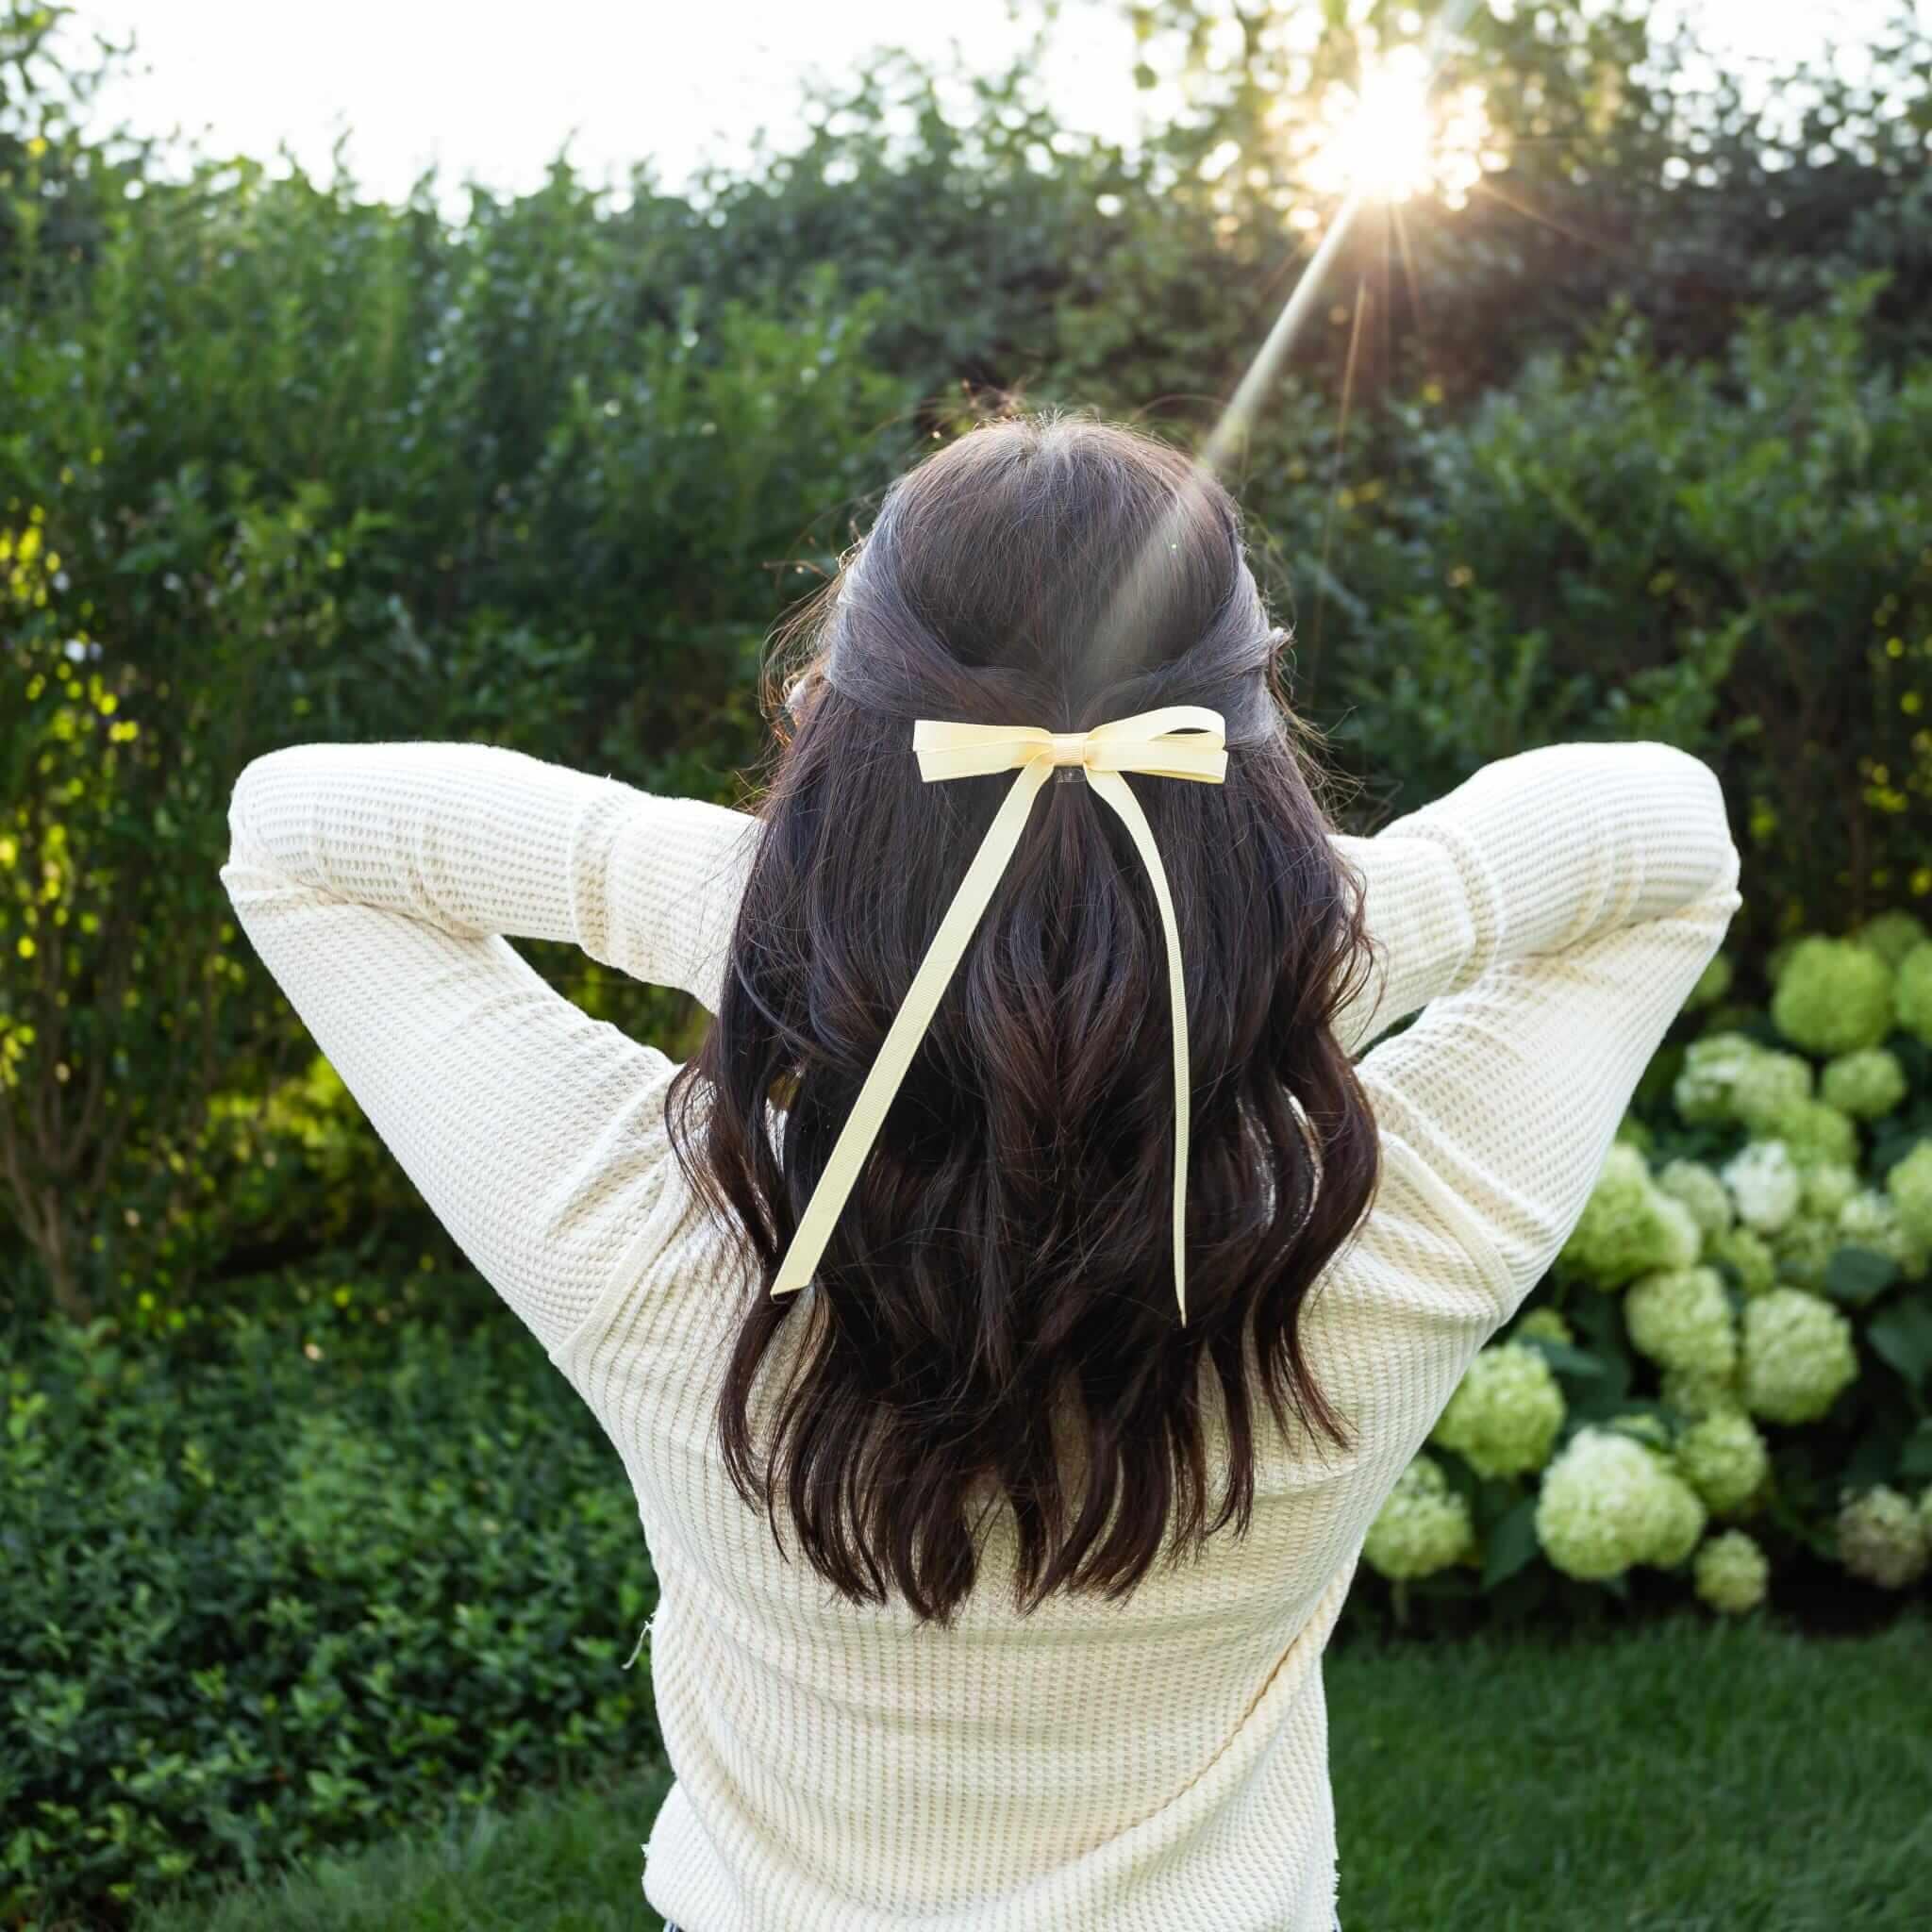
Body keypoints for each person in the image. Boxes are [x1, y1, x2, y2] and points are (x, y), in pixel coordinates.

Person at [221, 410, 1742, 1932]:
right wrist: (1248, 969)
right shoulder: (1398, 1238)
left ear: (833, 733)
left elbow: (291, 834)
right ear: (1246, 746)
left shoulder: (649, 1237)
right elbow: (1671, 837)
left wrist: (814, 946)